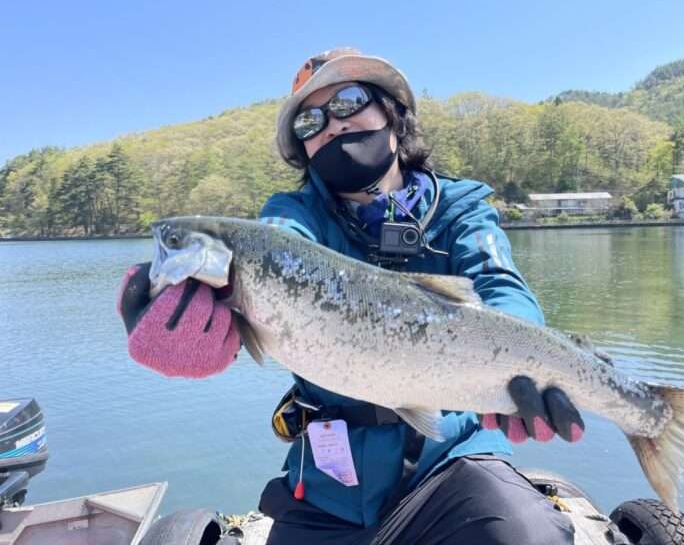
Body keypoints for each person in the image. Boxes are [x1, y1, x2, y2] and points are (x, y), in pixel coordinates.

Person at [118, 48, 584, 545]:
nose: (332, 124)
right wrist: (189, 328)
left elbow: (502, 287)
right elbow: (275, 257)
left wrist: (527, 362)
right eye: (310, 121)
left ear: (393, 113)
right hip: (325, 490)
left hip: (456, 464)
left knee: (526, 534)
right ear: (304, 149)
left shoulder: (460, 209)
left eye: (349, 102)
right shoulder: (290, 219)